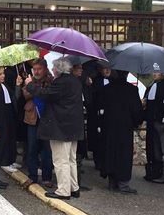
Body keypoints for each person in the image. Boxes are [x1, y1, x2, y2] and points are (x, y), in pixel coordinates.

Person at [25, 58, 84, 200]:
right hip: (73, 127)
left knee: (60, 160)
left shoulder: (61, 82)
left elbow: (46, 94)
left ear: (58, 69)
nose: (52, 70)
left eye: (54, 68)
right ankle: (73, 187)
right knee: (71, 159)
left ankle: (63, 190)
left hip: (61, 127)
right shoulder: (75, 81)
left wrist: (30, 85)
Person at [99, 70, 143, 194]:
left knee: (110, 152)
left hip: (109, 126)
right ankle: (123, 183)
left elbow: (101, 106)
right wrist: (137, 121)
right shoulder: (131, 90)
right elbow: (137, 111)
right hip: (125, 127)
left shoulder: (107, 89)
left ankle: (112, 181)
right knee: (123, 154)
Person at [21, 58, 53, 187]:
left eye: (39, 69)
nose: (37, 72)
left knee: (47, 149)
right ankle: (32, 176)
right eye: (35, 69)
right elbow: (26, 94)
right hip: (32, 118)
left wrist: (35, 88)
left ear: (45, 69)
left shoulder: (50, 81)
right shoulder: (30, 80)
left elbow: (48, 95)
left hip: (46, 118)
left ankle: (47, 177)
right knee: (32, 148)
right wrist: (32, 86)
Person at [142, 72, 164, 184]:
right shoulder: (151, 86)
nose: (154, 74)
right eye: (154, 72)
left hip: (163, 123)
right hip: (153, 122)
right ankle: (157, 171)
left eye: (157, 72)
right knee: (155, 148)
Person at [71, 61, 93, 191]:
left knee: (78, 152)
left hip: (80, 118)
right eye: (78, 68)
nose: (81, 70)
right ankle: (76, 182)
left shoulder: (82, 83)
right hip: (73, 121)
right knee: (75, 153)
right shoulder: (73, 83)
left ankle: (77, 181)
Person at [89, 62, 114, 170]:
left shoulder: (114, 82)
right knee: (97, 139)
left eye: (109, 68)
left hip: (110, 115)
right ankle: (98, 161)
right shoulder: (95, 82)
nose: (107, 70)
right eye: (104, 68)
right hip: (97, 114)